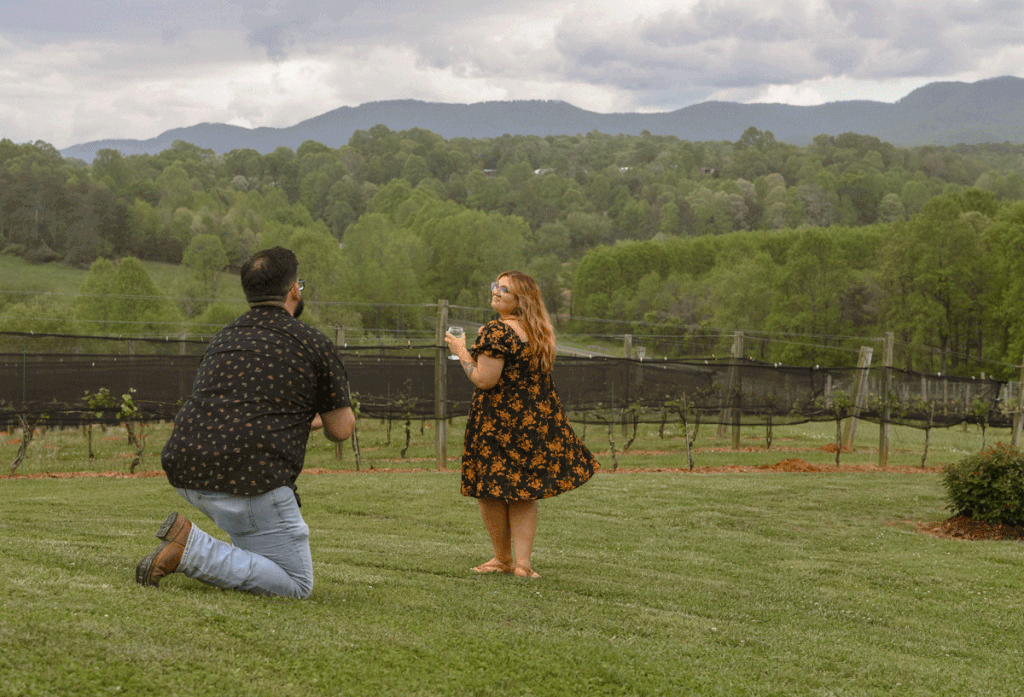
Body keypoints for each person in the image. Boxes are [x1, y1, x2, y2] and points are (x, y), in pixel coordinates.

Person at [136, 246, 355, 598]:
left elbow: (235, 408)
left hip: (186, 468)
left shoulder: (224, 338)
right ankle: (189, 549)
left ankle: (193, 546)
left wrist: (296, 419)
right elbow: (341, 429)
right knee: (296, 585)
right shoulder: (313, 343)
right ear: (294, 290)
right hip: (252, 477)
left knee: (257, 558)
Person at [445, 270, 599, 578]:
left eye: (505, 290)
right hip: (533, 422)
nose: (497, 292)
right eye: (496, 286)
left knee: (490, 489)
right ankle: (523, 565)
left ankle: (503, 560)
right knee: (523, 491)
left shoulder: (496, 331)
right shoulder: (538, 330)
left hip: (498, 422)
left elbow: (484, 380)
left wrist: (462, 352)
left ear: (519, 300)